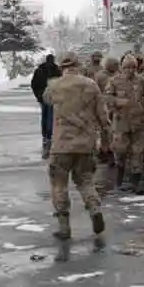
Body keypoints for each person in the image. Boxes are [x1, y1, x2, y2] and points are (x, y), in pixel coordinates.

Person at [46, 54, 109, 240]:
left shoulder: (54, 85)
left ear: (62, 67)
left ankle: (64, 226)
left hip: (61, 144)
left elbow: (46, 99)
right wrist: (105, 137)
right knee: (85, 180)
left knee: (59, 185)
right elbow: (103, 115)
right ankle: (94, 208)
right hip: (86, 143)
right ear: (79, 65)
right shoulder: (91, 84)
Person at [107, 56, 144, 193]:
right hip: (121, 123)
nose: (130, 70)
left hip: (138, 123)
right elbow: (107, 98)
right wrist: (118, 102)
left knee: (138, 153)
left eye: (133, 67)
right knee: (120, 151)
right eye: (127, 67)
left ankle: (136, 183)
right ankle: (119, 179)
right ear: (122, 68)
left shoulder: (142, 81)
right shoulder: (114, 81)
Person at [30, 53, 59, 152]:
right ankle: (49, 134)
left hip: (45, 96)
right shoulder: (56, 70)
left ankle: (46, 134)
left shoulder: (40, 70)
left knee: (45, 115)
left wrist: (38, 96)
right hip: (49, 96)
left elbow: (34, 85)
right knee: (50, 115)